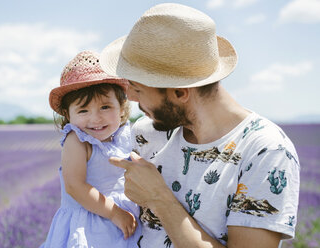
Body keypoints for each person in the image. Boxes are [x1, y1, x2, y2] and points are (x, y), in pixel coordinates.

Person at [99, 3, 300, 248]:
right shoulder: (145, 132)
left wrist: (159, 199)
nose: (130, 98)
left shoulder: (265, 151)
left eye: (139, 89)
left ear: (180, 92)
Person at [40, 51, 141, 248]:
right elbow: (75, 186)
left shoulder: (124, 136)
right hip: (89, 224)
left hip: (124, 219)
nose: (95, 119)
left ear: (121, 107)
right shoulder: (77, 140)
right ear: (68, 115)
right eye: (83, 111)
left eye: (105, 107)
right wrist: (114, 213)